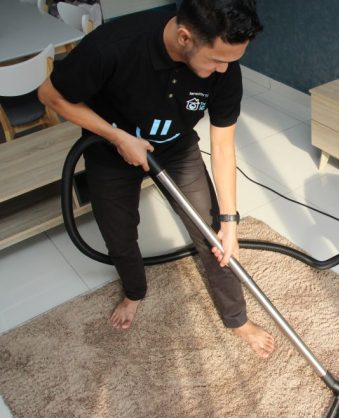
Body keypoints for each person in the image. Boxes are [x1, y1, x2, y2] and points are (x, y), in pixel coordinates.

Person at [38, 0, 276, 358]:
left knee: (213, 233)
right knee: (119, 235)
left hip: (176, 149)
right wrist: (117, 137)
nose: (224, 69)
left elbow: (223, 145)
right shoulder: (113, 45)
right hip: (110, 150)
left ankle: (237, 320)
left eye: (231, 60)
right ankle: (134, 292)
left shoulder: (226, 69)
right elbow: (49, 94)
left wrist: (229, 221)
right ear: (185, 37)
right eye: (216, 60)